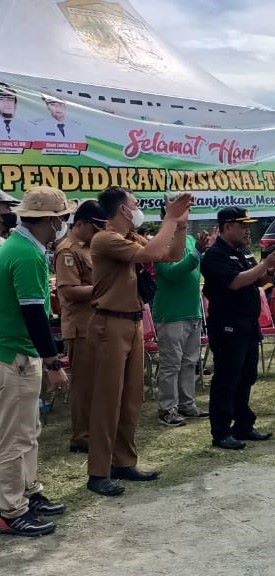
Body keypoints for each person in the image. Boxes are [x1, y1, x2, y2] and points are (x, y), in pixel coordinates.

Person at [84, 188, 192, 496]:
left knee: (132, 398)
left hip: (130, 323)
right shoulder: (105, 238)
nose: (138, 208)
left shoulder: (131, 236)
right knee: (108, 400)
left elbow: (172, 254)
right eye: (134, 204)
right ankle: (99, 471)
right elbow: (152, 254)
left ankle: (123, 461)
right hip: (109, 323)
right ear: (121, 209)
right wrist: (170, 219)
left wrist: (180, 225)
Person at [0, 187, 72, 537]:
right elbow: (33, 314)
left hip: (20, 353)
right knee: (13, 438)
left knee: (28, 432)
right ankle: (9, 509)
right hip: (14, 354)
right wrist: (54, 363)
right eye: (62, 217)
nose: (63, 223)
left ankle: (27, 493)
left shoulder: (22, 247)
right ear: (51, 219)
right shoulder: (25, 254)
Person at [201, 207, 275, 451]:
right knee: (227, 378)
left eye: (248, 225)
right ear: (226, 227)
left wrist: (270, 269)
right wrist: (264, 264)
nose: (247, 230)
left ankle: (243, 424)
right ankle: (221, 431)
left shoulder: (243, 252)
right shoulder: (215, 255)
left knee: (247, 376)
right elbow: (235, 282)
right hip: (227, 325)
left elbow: (258, 280)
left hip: (247, 323)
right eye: (242, 225)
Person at [153, 207, 213, 427]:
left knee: (189, 362)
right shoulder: (160, 241)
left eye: (186, 212)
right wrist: (197, 253)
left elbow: (198, 266)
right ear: (165, 216)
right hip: (171, 314)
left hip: (192, 310)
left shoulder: (188, 239)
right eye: (178, 212)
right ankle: (167, 409)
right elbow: (171, 273)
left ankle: (187, 404)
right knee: (171, 364)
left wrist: (205, 250)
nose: (184, 216)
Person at [54, 200, 105, 453]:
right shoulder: (67, 250)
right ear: (81, 223)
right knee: (83, 385)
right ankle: (81, 436)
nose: (97, 233)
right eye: (94, 227)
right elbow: (69, 290)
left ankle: (93, 429)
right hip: (79, 326)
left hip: (96, 324)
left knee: (96, 382)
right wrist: (104, 289)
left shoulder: (89, 247)